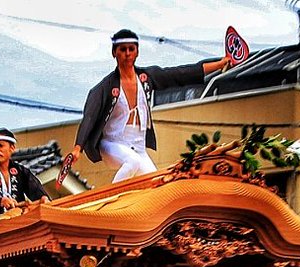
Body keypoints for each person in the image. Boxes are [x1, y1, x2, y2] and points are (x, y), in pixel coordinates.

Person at [72, 29, 231, 183]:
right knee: (131, 162)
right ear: (114, 53)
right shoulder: (105, 87)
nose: (127, 53)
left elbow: (180, 74)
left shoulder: (146, 78)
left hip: (138, 146)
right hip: (112, 144)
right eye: (122, 49)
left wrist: (218, 64)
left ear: (137, 52)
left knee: (156, 182)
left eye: (131, 49)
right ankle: (107, 204)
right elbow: (90, 117)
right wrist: (77, 148)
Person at [0, 127, 47, 223]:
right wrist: (1, 200)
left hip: (17, 221)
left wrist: (43, 199)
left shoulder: (21, 171)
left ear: (12, 148)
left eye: (0, 145)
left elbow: (38, 193)